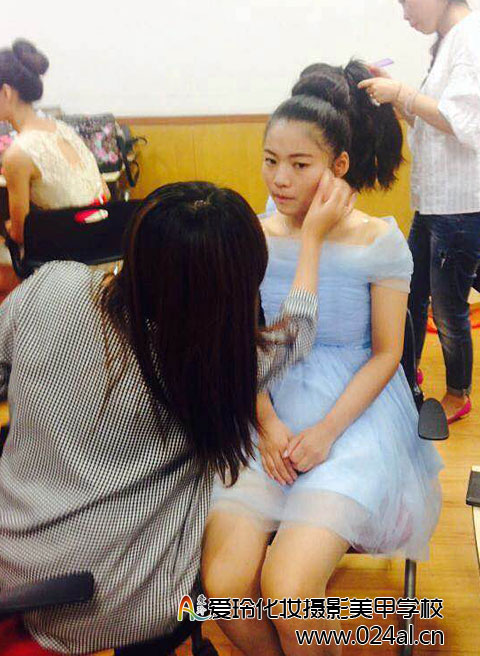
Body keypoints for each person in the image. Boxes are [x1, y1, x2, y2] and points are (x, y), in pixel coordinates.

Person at [0, 178, 354, 653]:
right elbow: (299, 330)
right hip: (113, 597)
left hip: (12, 558)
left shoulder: (53, 285)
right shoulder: (222, 360)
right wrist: (312, 239)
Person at [202, 62, 443, 656]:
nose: (280, 178)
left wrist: (328, 432)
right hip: (268, 407)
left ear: (338, 166)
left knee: (288, 591)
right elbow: (245, 342)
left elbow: (388, 354)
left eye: (299, 164)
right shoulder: (254, 235)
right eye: (270, 161)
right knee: (224, 588)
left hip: (353, 416)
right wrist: (266, 422)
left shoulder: (379, 239)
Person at [358, 0, 480, 423]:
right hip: (433, 203)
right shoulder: (449, 41)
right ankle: (407, 373)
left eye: (407, 1)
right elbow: (431, 122)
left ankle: (458, 393)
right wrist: (398, 97)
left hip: (459, 207)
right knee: (410, 294)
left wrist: (402, 94)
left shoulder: (471, 38)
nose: (405, 12)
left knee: (448, 309)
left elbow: (462, 122)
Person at [0, 39, 109, 295]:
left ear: (6, 92)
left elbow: (21, 235)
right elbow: (103, 190)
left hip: (65, 266)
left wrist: (9, 227)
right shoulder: (64, 129)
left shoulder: (18, 153)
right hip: (105, 250)